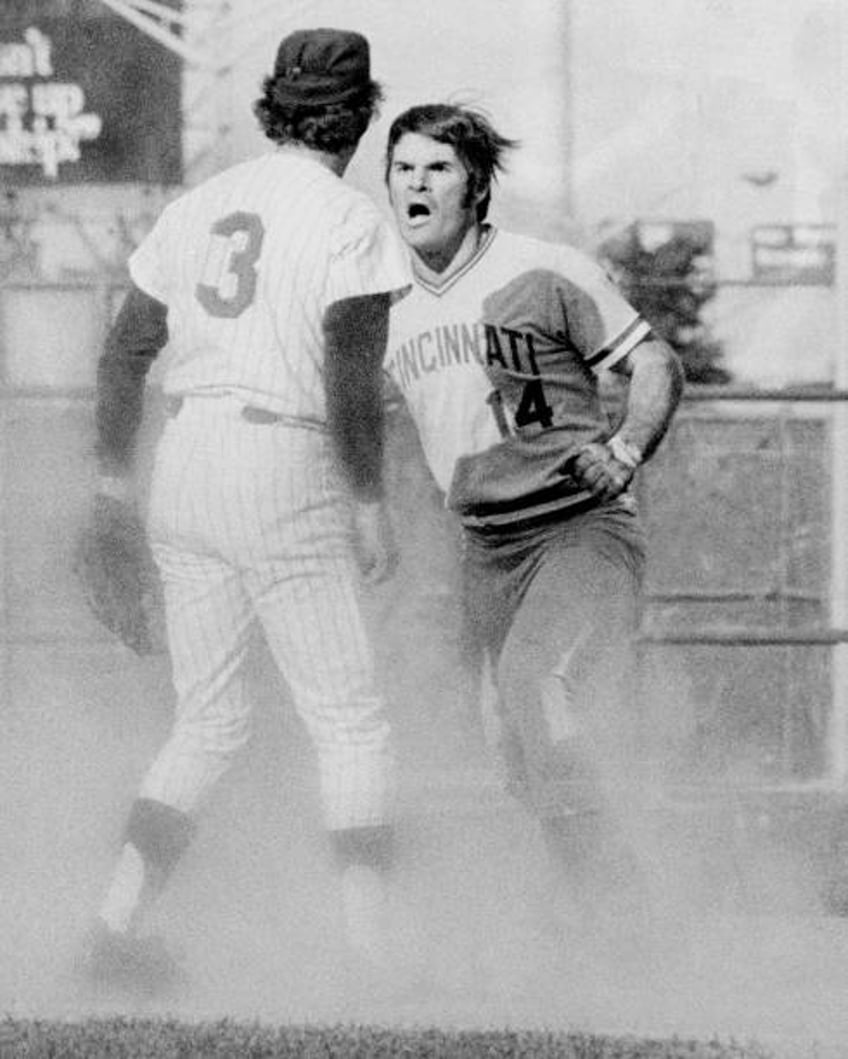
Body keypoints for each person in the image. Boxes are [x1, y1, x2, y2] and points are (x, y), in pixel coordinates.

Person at [79, 28, 411, 993]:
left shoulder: (200, 204)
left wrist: (109, 483)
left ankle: (114, 926)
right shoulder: (349, 220)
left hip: (186, 461)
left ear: (275, 106)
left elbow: (121, 354)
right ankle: (369, 959)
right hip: (284, 457)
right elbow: (351, 377)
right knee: (349, 721)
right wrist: (368, 498)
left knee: (208, 720)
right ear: (356, 117)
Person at [382, 104, 684, 940]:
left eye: (437, 168)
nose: (416, 182)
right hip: (487, 551)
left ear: (476, 186)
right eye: (402, 167)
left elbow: (655, 360)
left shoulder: (545, 269)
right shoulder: (383, 298)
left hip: (579, 530)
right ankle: (602, 909)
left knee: (535, 684)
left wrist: (625, 446)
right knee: (513, 749)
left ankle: (629, 919)